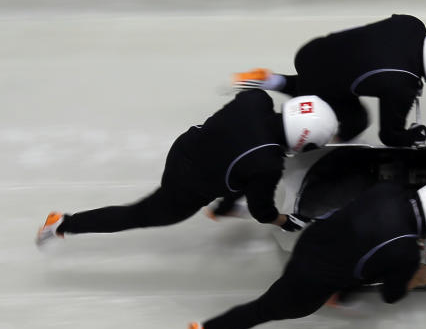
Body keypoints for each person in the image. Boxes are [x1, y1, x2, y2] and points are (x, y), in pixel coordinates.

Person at [35, 91, 338, 246]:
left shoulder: (256, 101)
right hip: (190, 184)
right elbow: (262, 211)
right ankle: (63, 223)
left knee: (243, 173)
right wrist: (284, 221)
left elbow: (246, 95)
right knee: (138, 215)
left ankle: (222, 209)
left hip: (187, 148)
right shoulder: (268, 163)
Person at [187, 178, 426, 329]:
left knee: (366, 259)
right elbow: (390, 295)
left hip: (314, 240)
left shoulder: (389, 191)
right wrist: (416, 279)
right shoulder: (406, 252)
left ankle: (340, 295)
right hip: (312, 281)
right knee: (263, 309)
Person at [233, 14, 426, 147]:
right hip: (324, 75)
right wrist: (415, 135)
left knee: (331, 79)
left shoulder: (411, 24)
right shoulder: (402, 86)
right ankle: (339, 146)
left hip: (314, 50)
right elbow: (390, 136)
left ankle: (270, 80)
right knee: (356, 120)